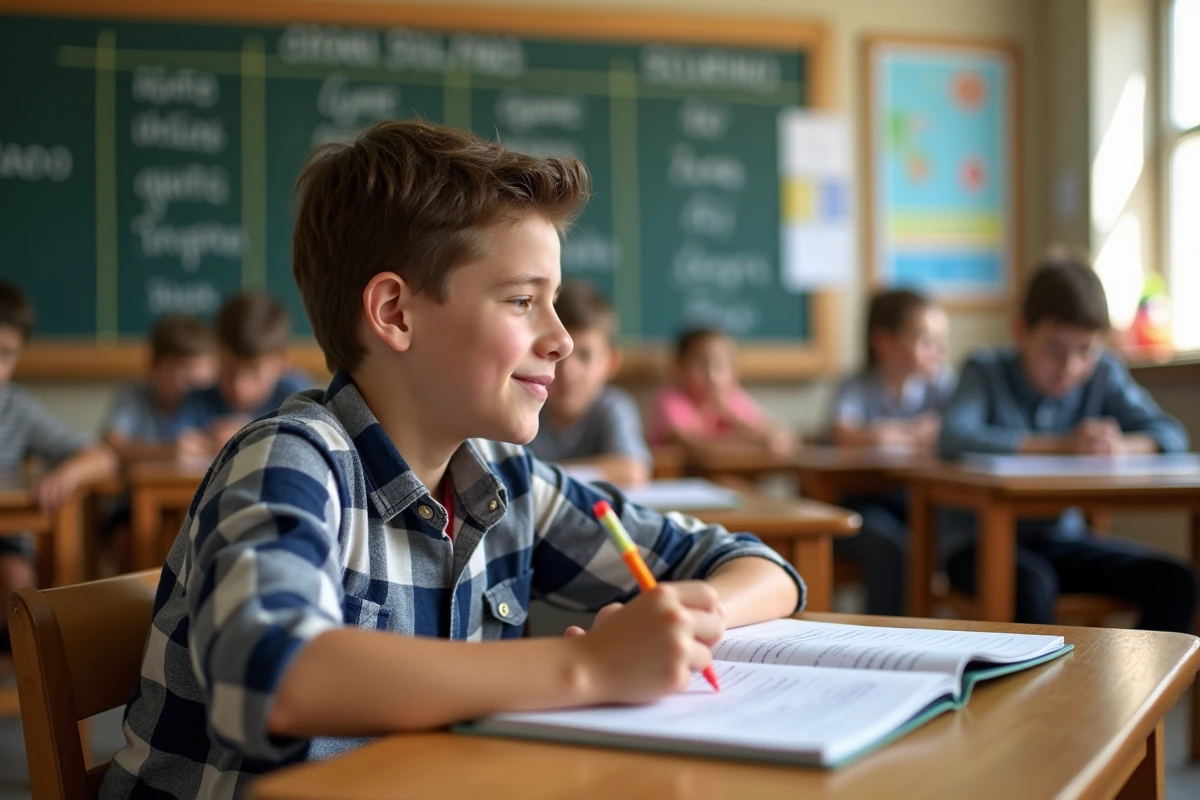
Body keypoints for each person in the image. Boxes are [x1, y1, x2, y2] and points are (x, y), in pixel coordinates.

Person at [102, 120, 804, 798]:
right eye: (524, 300)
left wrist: (685, 616)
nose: (560, 338)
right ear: (396, 313)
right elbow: (271, 676)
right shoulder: (290, 461)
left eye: (553, 303)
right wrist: (587, 665)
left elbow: (764, 569)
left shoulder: (505, 479)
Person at [939, 257, 1198, 632]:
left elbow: (1171, 434)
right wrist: (1059, 446)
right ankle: (1045, 694)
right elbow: (954, 437)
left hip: (1062, 540)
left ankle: (1137, 693)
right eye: (1054, 349)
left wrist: (1121, 447)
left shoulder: (1104, 372)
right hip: (976, 546)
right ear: (1020, 331)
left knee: (1176, 581)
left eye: (1085, 350)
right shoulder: (985, 369)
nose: (1070, 367)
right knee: (1032, 584)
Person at [824, 289, 954, 615]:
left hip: (918, 500)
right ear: (884, 342)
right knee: (894, 546)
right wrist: (910, 433)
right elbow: (844, 433)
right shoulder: (857, 386)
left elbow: (957, 431)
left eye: (941, 341)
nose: (937, 352)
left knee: (951, 535)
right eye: (926, 340)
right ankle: (886, 640)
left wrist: (885, 434)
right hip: (859, 503)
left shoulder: (941, 385)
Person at [0, 281, 115, 646]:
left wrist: (65, 474)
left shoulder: (17, 408)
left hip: (6, 540)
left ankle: (17, 675)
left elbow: (103, 457)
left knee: (18, 584)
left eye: (4, 353)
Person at [528, 280, 651, 486]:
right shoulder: (526, 405)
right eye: (556, 353)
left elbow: (632, 470)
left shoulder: (612, 406)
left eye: (585, 355)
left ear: (611, 363)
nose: (568, 370)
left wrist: (547, 477)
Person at [648, 327, 793, 456]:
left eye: (721, 365)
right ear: (680, 367)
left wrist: (733, 417)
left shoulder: (732, 397)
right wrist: (751, 441)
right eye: (701, 365)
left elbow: (779, 438)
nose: (712, 376)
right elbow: (691, 445)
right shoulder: (672, 398)